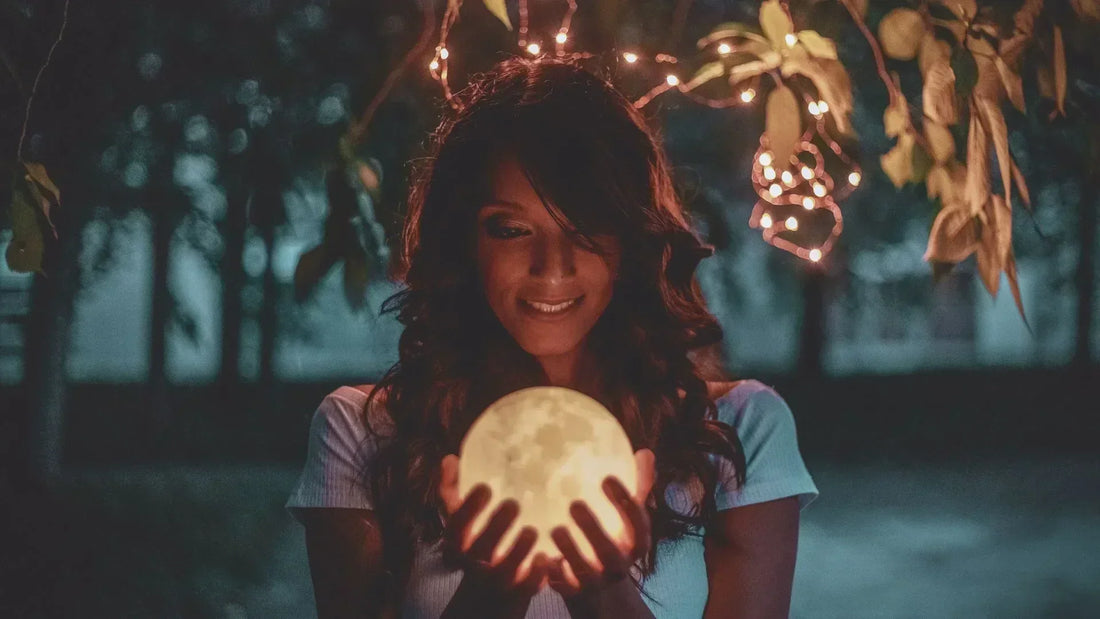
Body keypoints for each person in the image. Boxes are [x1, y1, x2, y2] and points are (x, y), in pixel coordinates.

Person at [286, 56, 818, 619]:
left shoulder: (740, 431)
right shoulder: (365, 434)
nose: (552, 268)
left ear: (632, 241)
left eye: (586, 229)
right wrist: (492, 591)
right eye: (512, 229)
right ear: (464, 240)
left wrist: (602, 589)